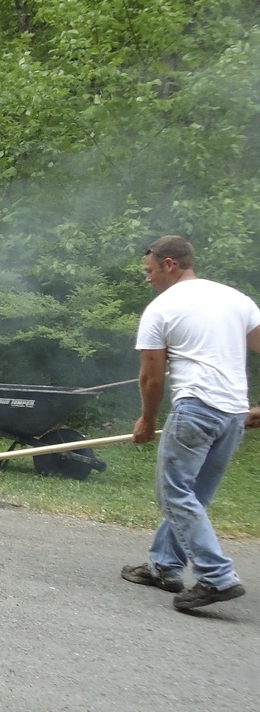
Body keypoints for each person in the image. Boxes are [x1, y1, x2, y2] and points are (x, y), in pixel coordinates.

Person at [122, 235, 260, 611]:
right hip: (232, 413)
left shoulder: (161, 308)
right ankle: (165, 566)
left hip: (196, 409)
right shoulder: (237, 299)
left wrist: (148, 421)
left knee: (175, 494)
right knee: (193, 495)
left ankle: (217, 577)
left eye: (150, 271)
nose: (147, 279)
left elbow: (152, 378)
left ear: (170, 264)